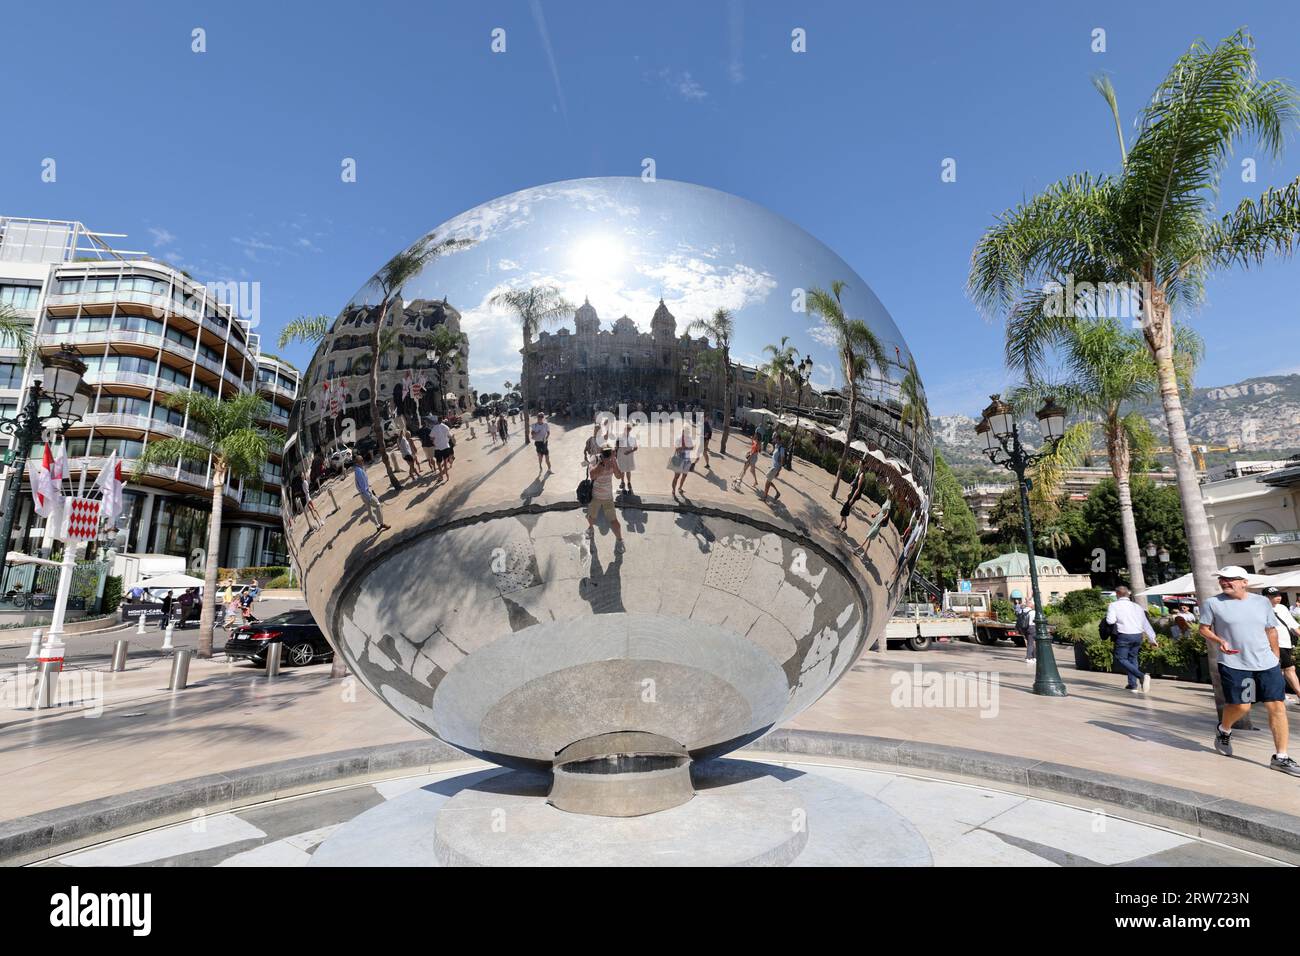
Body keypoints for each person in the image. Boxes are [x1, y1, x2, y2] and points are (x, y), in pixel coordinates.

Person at [1201, 566, 1299, 776]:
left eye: (1231, 579)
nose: (1225, 582)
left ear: (1244, 582)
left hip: (1267, 663)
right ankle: (1224, 730)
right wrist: (1219, 641)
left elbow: (1270, 629)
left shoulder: (1262, 602)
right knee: (1242, 707)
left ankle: (1280, 757)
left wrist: (1274, 656)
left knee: (1277, 707)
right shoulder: (1213, 603)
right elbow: (1204, 628)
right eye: (1222, 579)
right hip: (1233, 662)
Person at [1105, 585, 1158, 693]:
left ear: (1117, 594)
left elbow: (1110, 621)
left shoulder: (1114, 605)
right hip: (1138, 635)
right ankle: (1132, 684)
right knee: (1133, 658)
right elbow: (1145, 624)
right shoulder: (1137, 606)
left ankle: (1141, 676)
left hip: (1124, 635)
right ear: (1128, 594)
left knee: (1121, 658)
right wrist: (1152, 639)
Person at [1263, 586, 1300, 705]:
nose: (1278, 598)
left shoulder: (1283, 608)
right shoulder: (1260, 609)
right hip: (1274, 643)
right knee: (1289, 668)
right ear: (1265, 597)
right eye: (1274, 596)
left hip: (1287, 642)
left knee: (1282, 670)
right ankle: (1289, 694)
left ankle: (1279, 695)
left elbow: (1293, 625)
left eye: (1279, 595)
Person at [585, 442, 625, 552]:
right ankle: (590, 528)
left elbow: (618, 476)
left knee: (614, 521)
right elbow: (592, 475)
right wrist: (603, 463)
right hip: (595, 496)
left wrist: (614, 462)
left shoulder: (613, 460)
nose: (607, 454)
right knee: (591, 517)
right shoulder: (595, 459)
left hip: (607, 497)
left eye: (609, 452)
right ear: (600, 452)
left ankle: (620, 540)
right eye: (605, 452)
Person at [353, 452, 390, 532]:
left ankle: (377, 525)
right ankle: (381, 524)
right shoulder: (359, 471)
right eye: (361, 460)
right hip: (366, 494)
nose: (363, 461)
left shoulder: (358, 469)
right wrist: (369, 495)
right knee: (378, 505)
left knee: (369, 512)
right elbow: (363, 486)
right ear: (358, 462)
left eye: (362, 460)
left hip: (364, 494)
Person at [669, 424, 695, 497]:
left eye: (688, 431)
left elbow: (692, 448)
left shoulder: (689, 438)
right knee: (676, 476)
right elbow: (677, 449)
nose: (687, 432)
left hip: (687, 459)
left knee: (685, 475)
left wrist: (685, 447)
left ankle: (680, 488)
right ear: (683, 431)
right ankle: (673, 490)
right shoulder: (679, 438)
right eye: (685, 431)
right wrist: (685, 448)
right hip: (679, 459)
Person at [615, 421, 638, 496]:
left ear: (630, 430)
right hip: (621, 456)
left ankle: (628, 482)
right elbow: (616, 447)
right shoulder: (620, 437)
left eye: (629, 429)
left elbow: (635, 448)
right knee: (622, 470)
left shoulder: (632, 438)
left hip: (628, 456)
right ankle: (623, 482)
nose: (627, 430)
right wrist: (615, 455)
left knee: (628, 470)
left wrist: (629, 451)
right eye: (626, 428)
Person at [1014, 597, 1038, 664]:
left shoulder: (1022, 610)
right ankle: (1028, 657)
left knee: (1030, 642)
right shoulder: (1033, 612)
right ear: (1030, 605)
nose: (1033, 605)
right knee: (1031, 643)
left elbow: (1018, 615)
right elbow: (1036, 621)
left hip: (1024, 628)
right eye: (1032, 604)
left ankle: (1034, 657)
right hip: (1032, 628)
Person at [760, 437, 784, 502]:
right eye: (775, 439)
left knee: (767, 483)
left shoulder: (781, 449)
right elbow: (774, 457)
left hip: (775, 468)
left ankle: (764, 497)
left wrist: (778, 471)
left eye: (776, 439)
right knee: (769, 481)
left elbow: (782, 461)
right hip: (772, 467)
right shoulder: (776, 446)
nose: (775, 440)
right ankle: (777, 493)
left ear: (779, 440)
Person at [430, 415, 452, 480]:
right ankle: (447, 475)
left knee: (438, 463)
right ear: (442, 420)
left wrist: (434, 442)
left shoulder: (434, 428)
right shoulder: (446, 427)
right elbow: (449, 436)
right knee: (445, 461)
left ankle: (441, 476)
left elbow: (431, 438)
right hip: (445, 446)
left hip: (438, 448)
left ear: (437, 420)